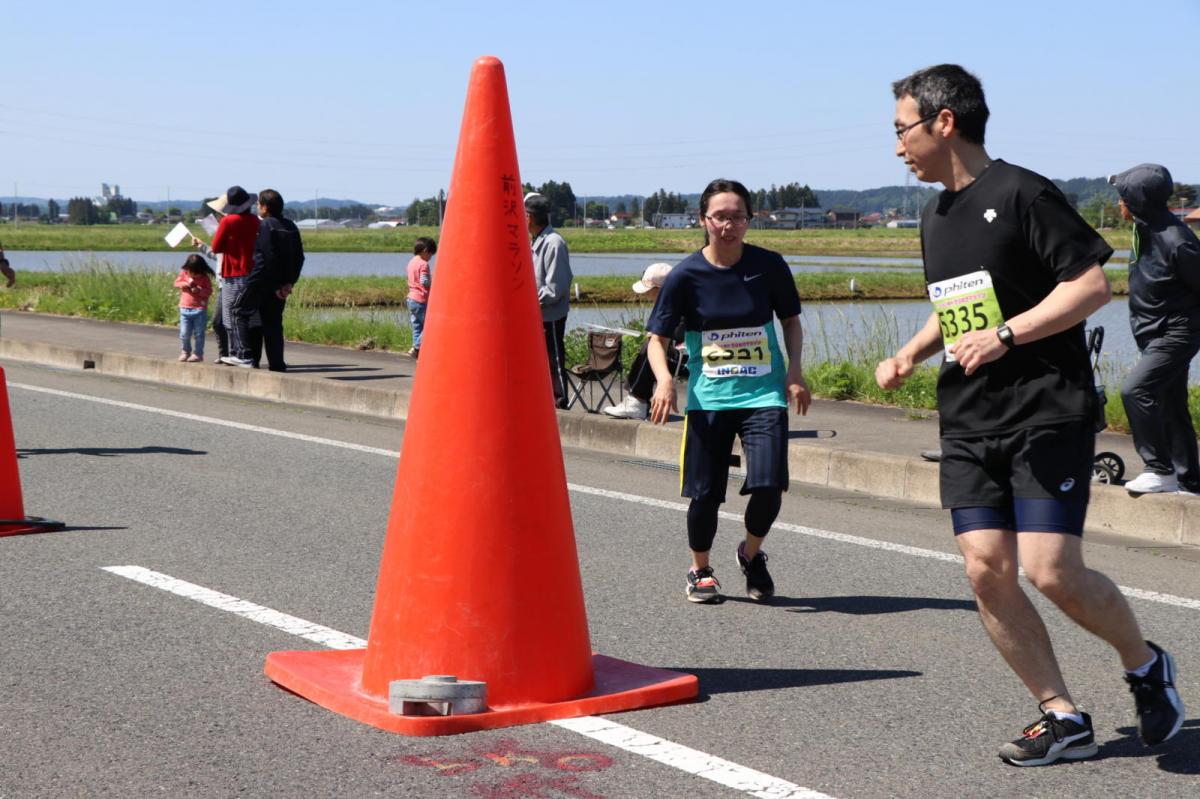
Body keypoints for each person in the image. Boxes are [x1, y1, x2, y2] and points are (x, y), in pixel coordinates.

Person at [876, 64, 1183, 766]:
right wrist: (911, 352)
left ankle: (1143, 664)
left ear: (943, 121)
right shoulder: (936, 213)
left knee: (1051, 571)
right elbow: (958, 308)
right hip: (970, 417)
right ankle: (1062, 714)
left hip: (1045, 408)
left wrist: (1008, 335)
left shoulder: (1022, 193)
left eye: (902, 130)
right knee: (986, 568)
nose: (897, 147)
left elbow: (1091, 286)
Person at [645, 178, 811, 604]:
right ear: (704, 220)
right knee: (705, 494)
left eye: (738, 216)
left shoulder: (769, 265)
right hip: (710, 398)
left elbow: (790, 321)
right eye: (720, 216)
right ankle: (699, 570)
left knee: (770, 485)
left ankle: (751, 555)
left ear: (749, 220)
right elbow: (656, 340)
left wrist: (794, 371)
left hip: (764, 395)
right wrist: (665, 380)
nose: (729, 224)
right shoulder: (686, 276)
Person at [1109, 164, 1200, 496]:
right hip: (1152, 332)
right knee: (1172, 403)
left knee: (1137, 391)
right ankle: (1190, 482)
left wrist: (1182, 330)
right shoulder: (1144, 229)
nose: (1118, 203)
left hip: (1174, 333)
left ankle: (1159, 469)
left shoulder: (1176, 240)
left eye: (1122, 196)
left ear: (1137, 200)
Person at [603, 262, 689, 420]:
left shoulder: (680, 306)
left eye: (649, 291)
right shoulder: (668, 305)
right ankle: (636, 400)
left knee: (650, 349)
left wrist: (656, 338)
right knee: (650, 347)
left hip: (686, 356)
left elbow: (679, 335)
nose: (646, 295)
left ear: (661, 290)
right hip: (681, 353)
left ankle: (637, 401)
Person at [192, 185, 260, 368]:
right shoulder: (256, 220)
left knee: (231, 315)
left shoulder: (228, 222)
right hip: (253, 273)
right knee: (250, 316)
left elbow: (216, 248)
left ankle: (239, 353)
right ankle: (249, 354)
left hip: (234, 273)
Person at [241, 189, 304, 372]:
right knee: (274, 325)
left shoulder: (266, 225)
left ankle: (252, 361)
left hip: (264, 284)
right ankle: (277, 365)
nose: (257, 208)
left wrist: (255, 284)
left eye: (259, 204)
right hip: (283, 286)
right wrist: (289, 283)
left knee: (253, 321)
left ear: (265, 207)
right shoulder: (291, 225)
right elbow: (299, 257)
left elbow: (266, 258)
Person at [526, 192, 572, 408]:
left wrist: (529, 302)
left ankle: (560, 401)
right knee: (539, 361)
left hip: (551, 314)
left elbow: (555, 288)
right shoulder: (538, 240)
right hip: (538, 313)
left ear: (529, 217)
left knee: (554, 360)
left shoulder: (554, 243)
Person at [173, 254, 215, 362]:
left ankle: (198, 354)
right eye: (192, 272)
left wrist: (200, 291)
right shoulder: (185, 273)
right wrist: (185, 283)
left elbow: (209, 291)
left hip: (199, 309)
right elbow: (176, 283)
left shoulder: (205, 278)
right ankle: (185, 351)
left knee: (199, 333)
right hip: (185, 308)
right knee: (184, 333)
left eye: (197, 273)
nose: (194, 276)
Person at [405, 236, 436, 358]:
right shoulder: (423, 264)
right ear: (425, 251)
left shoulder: (411, 262)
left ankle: (417, 351)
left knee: (417, 326)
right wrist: (433, 283)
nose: (430, 258)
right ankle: (416, 347)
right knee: (429, 325)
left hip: (411, 298)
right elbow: (424, 281)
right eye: (430, 254)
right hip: (420, 299)